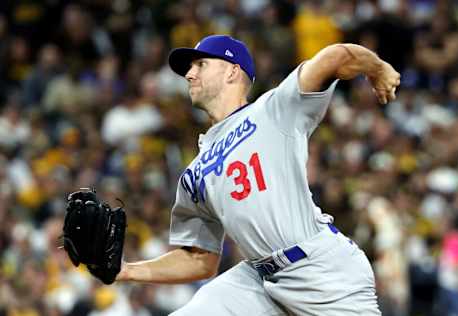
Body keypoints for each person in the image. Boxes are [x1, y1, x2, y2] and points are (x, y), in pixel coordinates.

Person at [116, 34, 400, 315]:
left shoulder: (273, 110)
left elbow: (336, 56)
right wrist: (127, 270)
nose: (189, 74)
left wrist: (378, 68)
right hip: (259, 279)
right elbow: (200, 260)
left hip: (321, 271)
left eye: (200, 64)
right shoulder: (195, 172)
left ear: (231, 70)